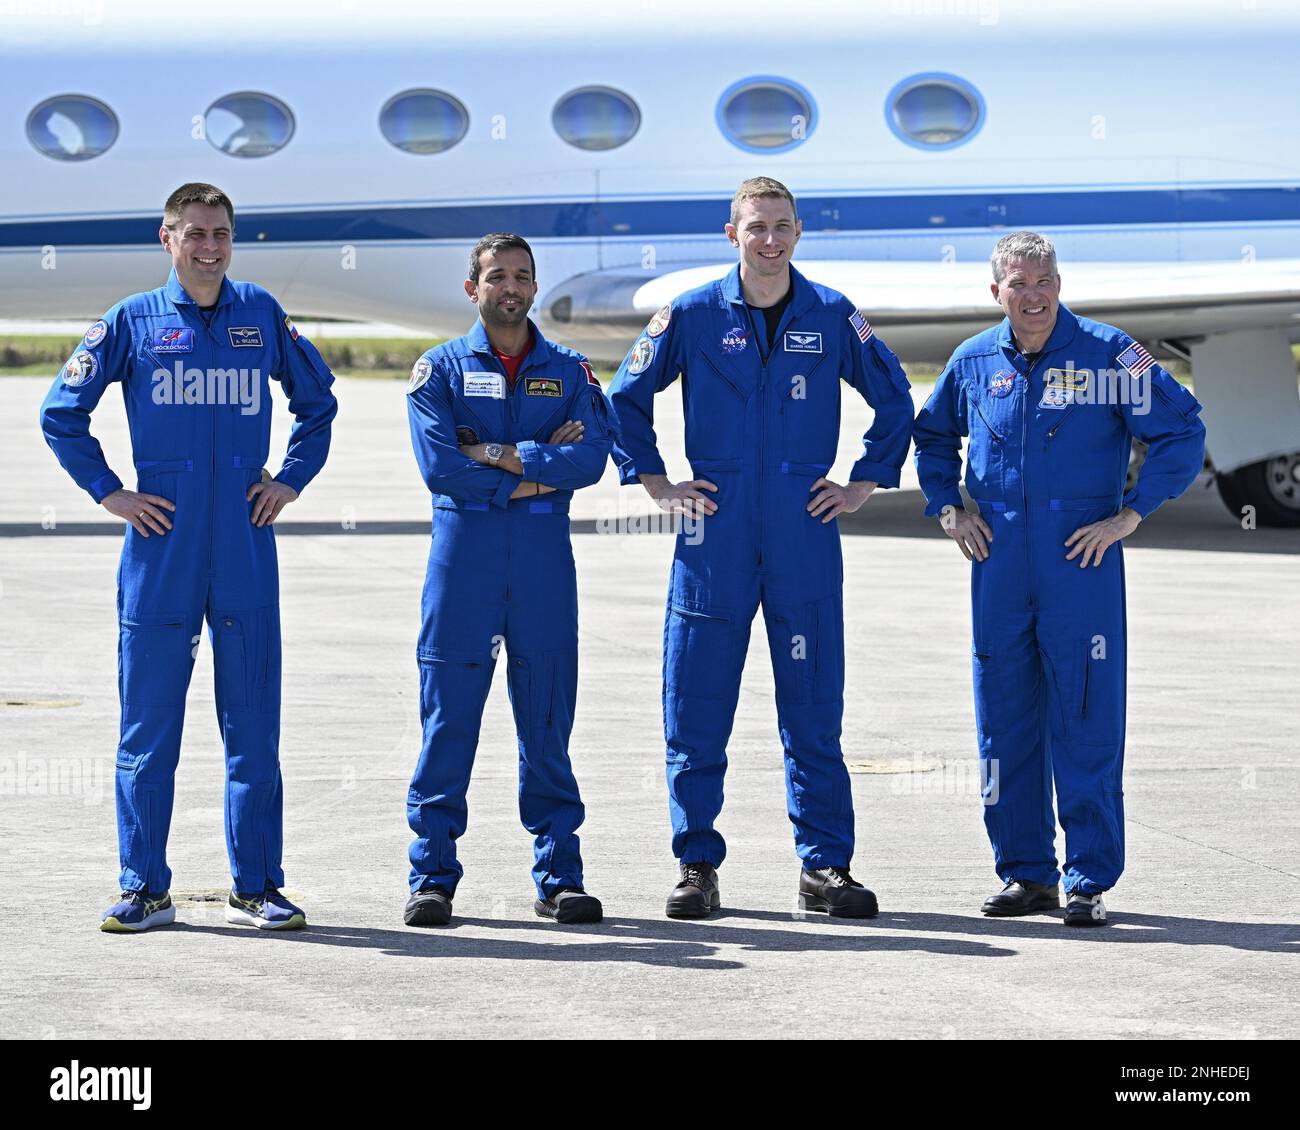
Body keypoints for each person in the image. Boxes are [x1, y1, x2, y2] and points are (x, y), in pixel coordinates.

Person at [607, 177, 914, 919]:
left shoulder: (833, 315)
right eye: (756, 227)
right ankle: (695, 865)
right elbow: (624, 397)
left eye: (781, 226)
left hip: (802, 530)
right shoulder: (690, 313)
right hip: (714, 531)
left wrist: (863, 483)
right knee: (697, 702)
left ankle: (825, 866)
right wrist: (654, 483)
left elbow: (897, 399)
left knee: (813, 705)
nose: (769, 239)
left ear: (798, 232)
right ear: (732, 234)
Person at [39, 182, 338, 932]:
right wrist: (112, 493)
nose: (210, 246)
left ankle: (258, 885)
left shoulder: (261, 314)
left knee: (253, 727)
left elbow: (319, 405)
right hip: (161, 547)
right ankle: (143, 887)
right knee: (148, 726)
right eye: (195, 233)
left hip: (243, 543)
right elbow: (60, 415)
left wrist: (289, 480)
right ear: (166, 239)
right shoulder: (132, 321)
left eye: (222, 233)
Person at [913, 231, 1206, 927]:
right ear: (996, 292)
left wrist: (1130, 516)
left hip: (1082, 562)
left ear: (1059, 282)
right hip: (999, 563)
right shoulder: (974, 360)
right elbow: (931, 437)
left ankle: (1087, 881)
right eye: (1018, 284)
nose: (1033, 295)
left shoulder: (1109, 353)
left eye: (1044, 280)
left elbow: (1182, 429)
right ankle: (1026, 876)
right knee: (1004, 721)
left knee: (1085, 716)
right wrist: (950, 509)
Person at [404, 232, 614, 927]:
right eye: (497, 276)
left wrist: (495, 457)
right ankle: (432, 875)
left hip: (542, 569)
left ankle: (560, 875)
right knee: (448, 720)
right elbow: (440, 468)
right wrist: (534, 473)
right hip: (461, 567)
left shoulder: (572, 372)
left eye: (523, 276)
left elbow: (590, 463)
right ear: (473, 289)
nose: (512, 288)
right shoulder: (438, 370)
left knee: (548, 719)